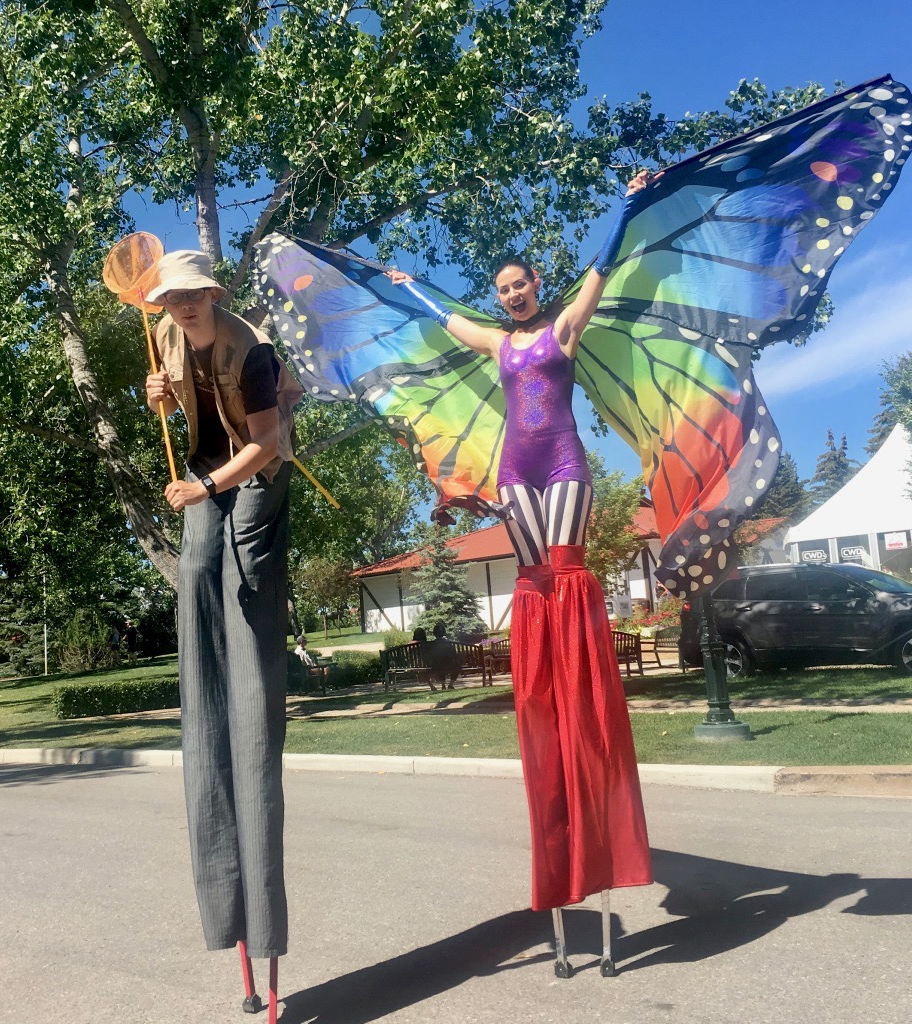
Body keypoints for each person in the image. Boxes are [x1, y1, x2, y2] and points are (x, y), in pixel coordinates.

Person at [386, 173, 655, 924]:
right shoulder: (499, 342)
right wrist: (410, 286)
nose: (511, 296)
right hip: (516, 468)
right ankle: (544, 677)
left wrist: (628, 206)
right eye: (502, 290)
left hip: (563, 461)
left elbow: (601, 270)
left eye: (519, 285)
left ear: (537, 284)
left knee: (566, 571)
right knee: (534, 576)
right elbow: (447, 320)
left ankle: (579, 678)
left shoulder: (561, 330)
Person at [144, 249, 303, 967]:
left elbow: (265, 441)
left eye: (191, 295)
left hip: (257, 470)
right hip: (207, 465)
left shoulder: (253, 352)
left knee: (242, 568)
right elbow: (179, 406)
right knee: (197, 564)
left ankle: (250, 669)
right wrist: (158, 396)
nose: (181, 306)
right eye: (170, 298)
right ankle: (209, 672)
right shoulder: (167, 336)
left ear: (212, 292)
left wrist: (205, 491)